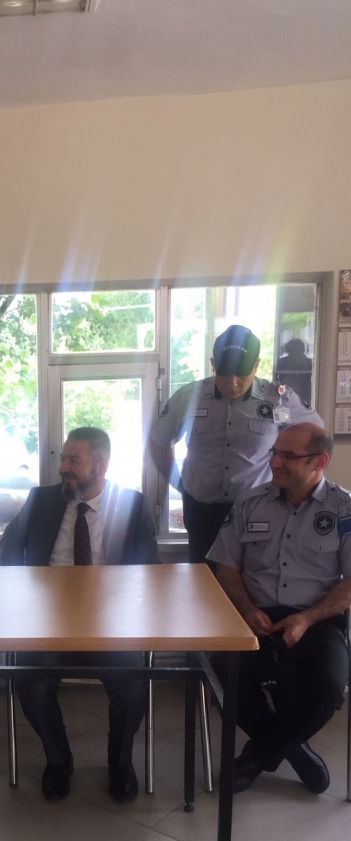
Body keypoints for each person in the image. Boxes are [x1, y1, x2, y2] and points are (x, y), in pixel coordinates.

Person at [0, 426, 160, 803]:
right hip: (49, 620)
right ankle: (58, 761)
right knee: (32, 684)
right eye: (63, 459)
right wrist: (18, 591)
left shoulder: (132, 504)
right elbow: (10, 544)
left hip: (110, 621)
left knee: (132, 685)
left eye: (74, 460)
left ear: (100, 466)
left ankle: (120, 764)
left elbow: (150, 571)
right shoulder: (42, 500)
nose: (63, 468)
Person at [207, 423, 351, 795]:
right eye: (274, 452)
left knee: (329, 689)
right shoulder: (249, 502)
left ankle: (259, 755)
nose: (275, 462)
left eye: (288, 456)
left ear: (319, 462)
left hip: (315, 618)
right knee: (223, 674)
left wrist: (306, 619)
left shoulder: (344, 508)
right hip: (253, 615)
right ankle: (294, 751)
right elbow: (226, 566)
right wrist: (246, 609)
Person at [147, 325, 320, 564]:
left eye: (241, 375)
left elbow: (316, 438)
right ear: (213, 364)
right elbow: (158, 440)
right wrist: (179, 483)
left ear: (256, 366)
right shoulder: (188, 397)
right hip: (202, 510)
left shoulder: (278, 399)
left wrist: (291, 482)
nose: (232, 383)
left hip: (258, 510)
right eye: (224, 374)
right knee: (203, 578)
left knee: (255, 577)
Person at [274, 338, 313, 407]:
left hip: (292, 397)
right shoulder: (309, 362)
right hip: (298, 397)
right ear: (303, 349)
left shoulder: (282, 362)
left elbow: (276, 380)